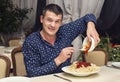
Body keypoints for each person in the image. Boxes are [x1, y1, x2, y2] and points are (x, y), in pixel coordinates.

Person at [22, 4, 100, 77]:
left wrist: (91, 27)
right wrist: (58, 60)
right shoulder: (31, 41)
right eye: (49, 20)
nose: (53, 25)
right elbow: (32, 73)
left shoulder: (65, 32)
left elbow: (89, 16)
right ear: (42, 19)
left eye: (57, 21)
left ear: (61, 22)